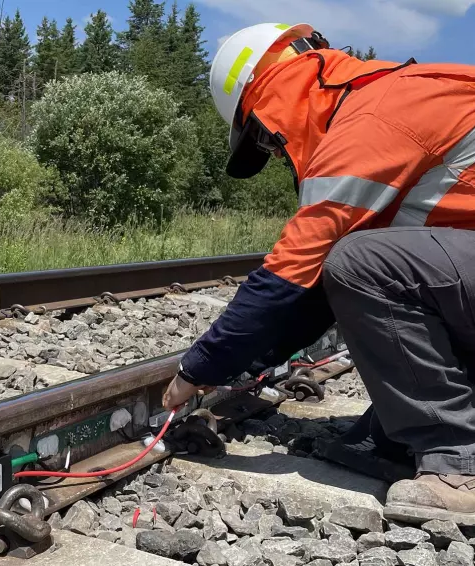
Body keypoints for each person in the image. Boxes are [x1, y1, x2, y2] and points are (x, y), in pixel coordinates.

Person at [162, 22, 475, 525]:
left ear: (270, 107)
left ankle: (461, 463)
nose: (273, 152)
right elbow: (317, 295)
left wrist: (199, 369)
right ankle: (401, 436)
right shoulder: (391, 96)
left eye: (263, 140)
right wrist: (244, 363)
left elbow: (292, 274)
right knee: (362, 262)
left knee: (360, 262)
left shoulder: (372, 121)